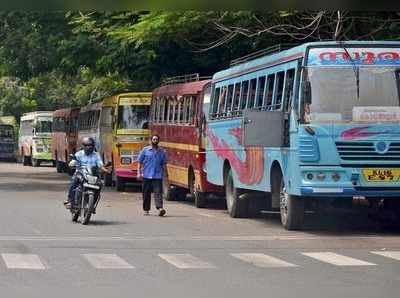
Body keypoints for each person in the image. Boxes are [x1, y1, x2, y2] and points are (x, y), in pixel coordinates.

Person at [64, 137, 110, 208]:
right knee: (74, 182)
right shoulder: (79, 154)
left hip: (92, 175)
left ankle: (92, 204)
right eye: (86, 145)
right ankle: (70, 200)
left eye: (90, 145)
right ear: (83, 146)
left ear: (93, 146)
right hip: (80, 173)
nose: (88, 147)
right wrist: (72, 164)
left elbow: (100, 165)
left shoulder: (96, 155)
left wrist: (105, 170)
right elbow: (73, 161)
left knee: (99, 185)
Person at [137, 134, 167, 216]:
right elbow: (139, 162)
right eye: (154, 139)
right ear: (151, 141)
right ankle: (146, 210)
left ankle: (160, 208)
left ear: (158, 141)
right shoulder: (145, 150)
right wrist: (139, 173)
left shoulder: (162, 152)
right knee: (146, 194)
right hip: (146, 175)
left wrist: (165, 175)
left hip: (157, 176)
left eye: (156, 139)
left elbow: (164, 164)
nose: (155, 141)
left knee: (158, 192)